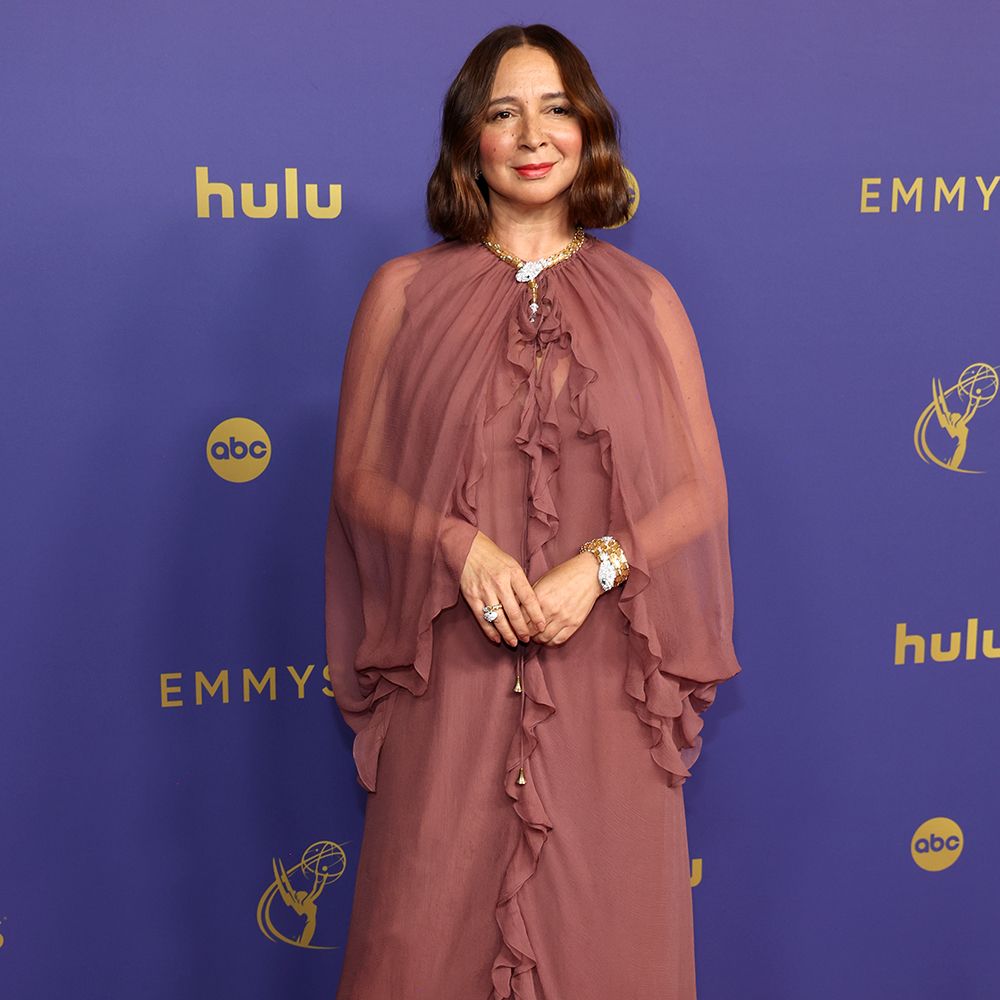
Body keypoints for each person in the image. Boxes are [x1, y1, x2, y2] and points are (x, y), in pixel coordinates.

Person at [324, 22, 742, 1000]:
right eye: (502, 110)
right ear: (468, 138)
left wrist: (600, 565)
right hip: (452, 675)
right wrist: (454, 544)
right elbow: (357, 478)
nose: (532, 131)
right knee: (422, 937)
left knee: (606, 945)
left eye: (556, 107)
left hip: (601, 687)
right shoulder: (402, 294)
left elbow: (698, 491)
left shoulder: (647, 300)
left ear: (590, 131)